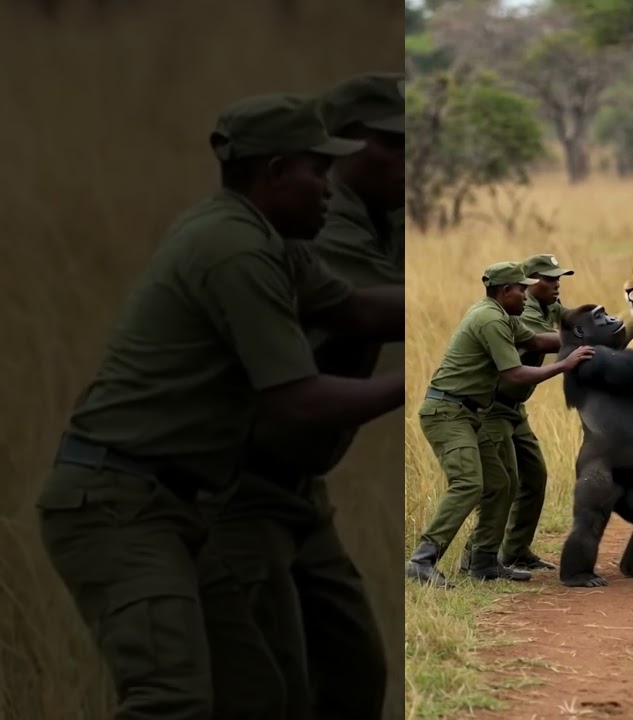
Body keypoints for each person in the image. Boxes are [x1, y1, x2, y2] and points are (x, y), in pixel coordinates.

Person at [34, 93, 405, 720]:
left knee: (256, 696)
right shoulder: (235, 250)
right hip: (117, 504)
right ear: (277, 171)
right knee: (169, 699)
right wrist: (420, 377)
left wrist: (466, 310)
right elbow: (297, 401)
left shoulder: (267, 240)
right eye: (317, 170)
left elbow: (355, 310)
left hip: (178, 503)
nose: (327, 186)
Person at [203, 73, 405, 720]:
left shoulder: (386, 215)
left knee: (353, 677)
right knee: (266, 690)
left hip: (298, 486)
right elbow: (400, 309)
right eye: (396, 145)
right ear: (343, 149)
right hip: (237, 484)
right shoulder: (321, 226)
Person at [406, 261, 594, 588]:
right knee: (468, 483)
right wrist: (565, 365)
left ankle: (482, 562)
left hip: (470, 413)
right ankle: (423, 559)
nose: (526, 293)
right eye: (521, 289)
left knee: (503, 482)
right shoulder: (490, 319)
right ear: (505, 291)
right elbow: (514, 374)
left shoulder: (501, 316)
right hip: (447, 413)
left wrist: (585, 338)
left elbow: (536, 342)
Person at [456, 253, 574, 574]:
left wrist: (609, 321)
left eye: (558, 278)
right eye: (549, 279)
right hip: (494, 407)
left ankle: (516, 551)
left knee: (534, 475)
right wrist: (590, 340)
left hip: (514, 408)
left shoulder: (546, 305)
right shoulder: (522, 312)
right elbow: (544, 342)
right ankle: (477, 556)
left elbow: (572, 318)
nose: (556, 284)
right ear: (527, 283)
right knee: (502, 482)